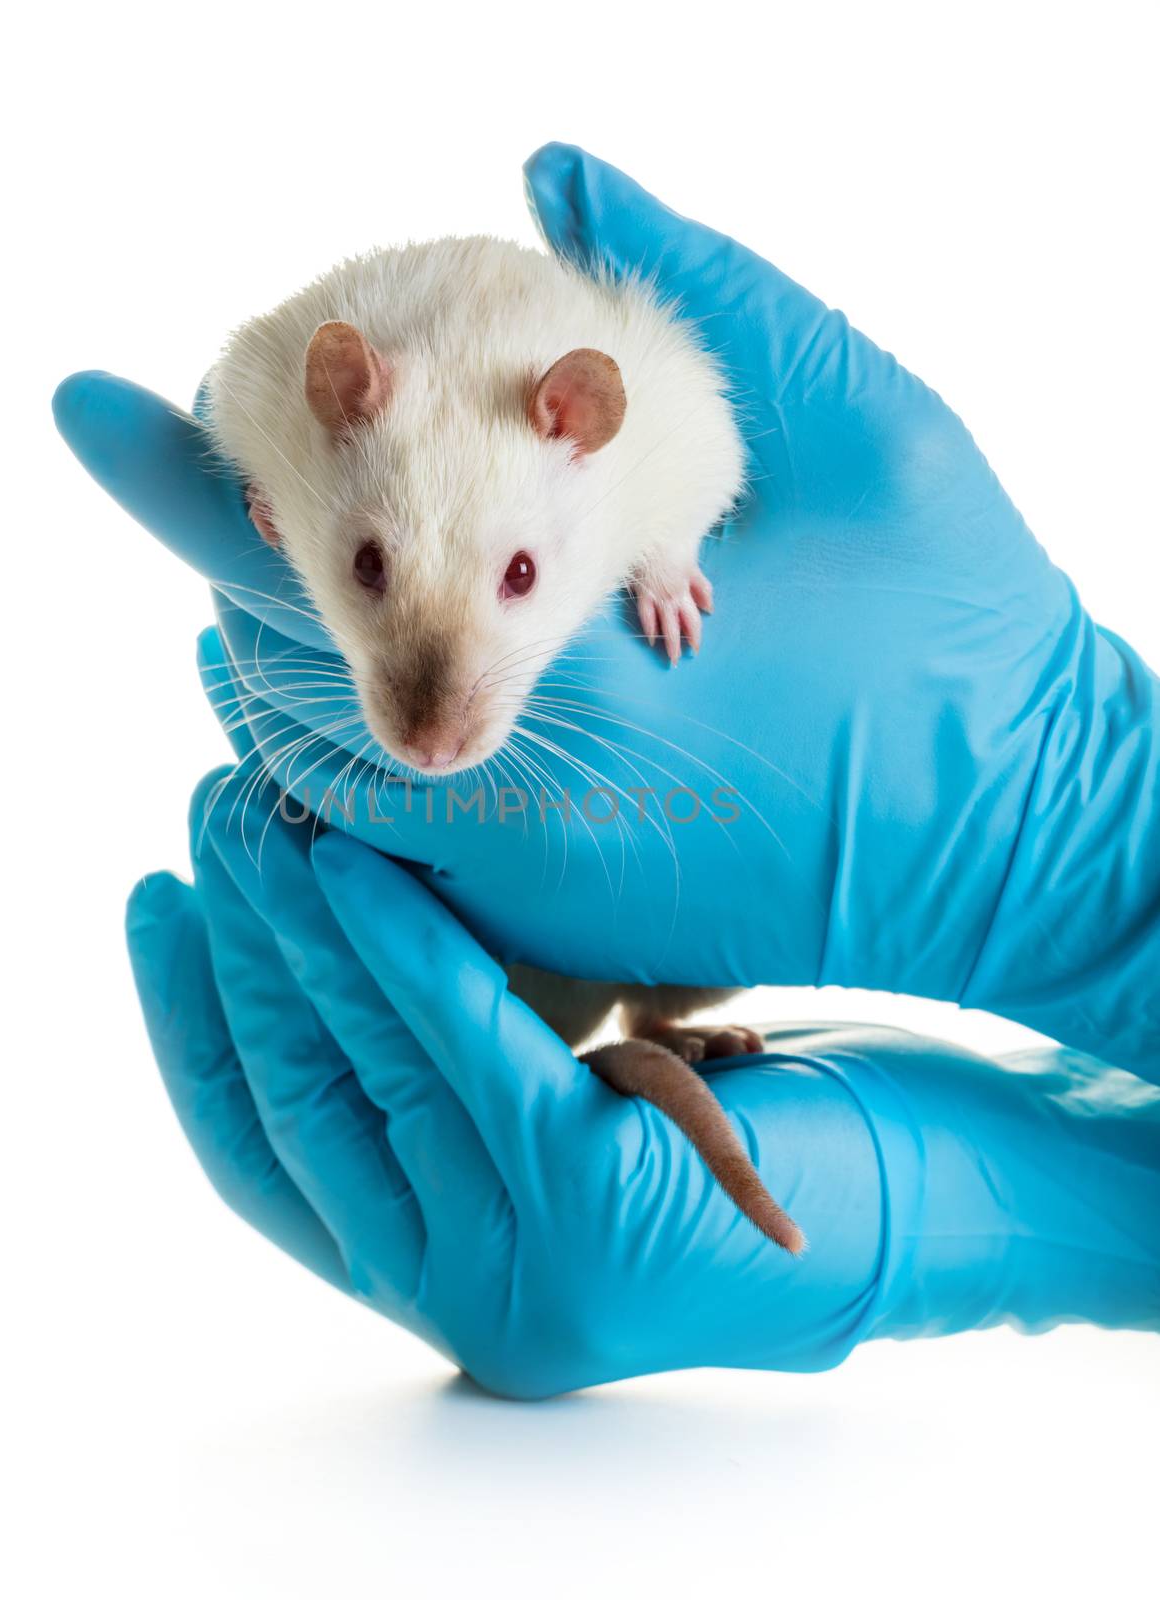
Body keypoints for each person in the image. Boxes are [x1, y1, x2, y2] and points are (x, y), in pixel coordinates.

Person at [58, 146, 1160, 1395]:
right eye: (366, 566)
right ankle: (590, 1030)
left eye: (517, 578)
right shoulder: (315, 377)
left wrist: (667, 552)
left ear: (577, 422)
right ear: (343, 397)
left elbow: (698, 442)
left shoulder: (610, 400)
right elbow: (252, 386)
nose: (435, 726)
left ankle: (620, 1023)